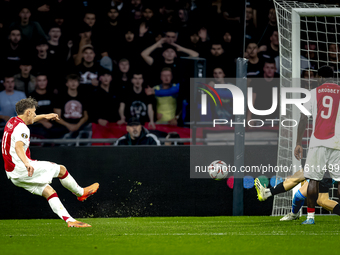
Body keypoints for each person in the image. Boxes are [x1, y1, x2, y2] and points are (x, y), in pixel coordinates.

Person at [1, 97, 99, 227]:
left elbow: (31, 119)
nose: (35, 114)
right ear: (28, 112)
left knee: (49, 191)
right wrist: (26, 162)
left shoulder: (12, 121)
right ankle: (81, 193)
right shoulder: (22, 129)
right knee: (61, 169)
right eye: (34, 112)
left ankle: (71, 221)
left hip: (13, 174)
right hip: (23, 168)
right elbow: (18, 147)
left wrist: (45, 116)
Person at [295, 65, 340, 224]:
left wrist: (298, 143)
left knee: (313, 180)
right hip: (337, 142)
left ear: (319, 77)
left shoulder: (314, 93)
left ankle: (310, 217)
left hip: (318, 141)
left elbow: (303, 118)